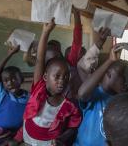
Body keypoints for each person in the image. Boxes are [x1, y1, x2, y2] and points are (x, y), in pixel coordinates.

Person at [11, 18, 81, 146]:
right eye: (57, 76)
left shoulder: (69, 105)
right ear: (45, 76)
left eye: (66, 77)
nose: (62, 81)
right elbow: (39, 58)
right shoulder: (38, 88)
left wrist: (62, 139)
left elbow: (73, 126)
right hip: (27, 141)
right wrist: (46, 32)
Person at [74, 46, 128, 146]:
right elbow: (82, 94)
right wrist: (110, 61)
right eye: (123, 76)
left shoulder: (123, 100)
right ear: (108, 73)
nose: (127, 82)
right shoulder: (95, 93)